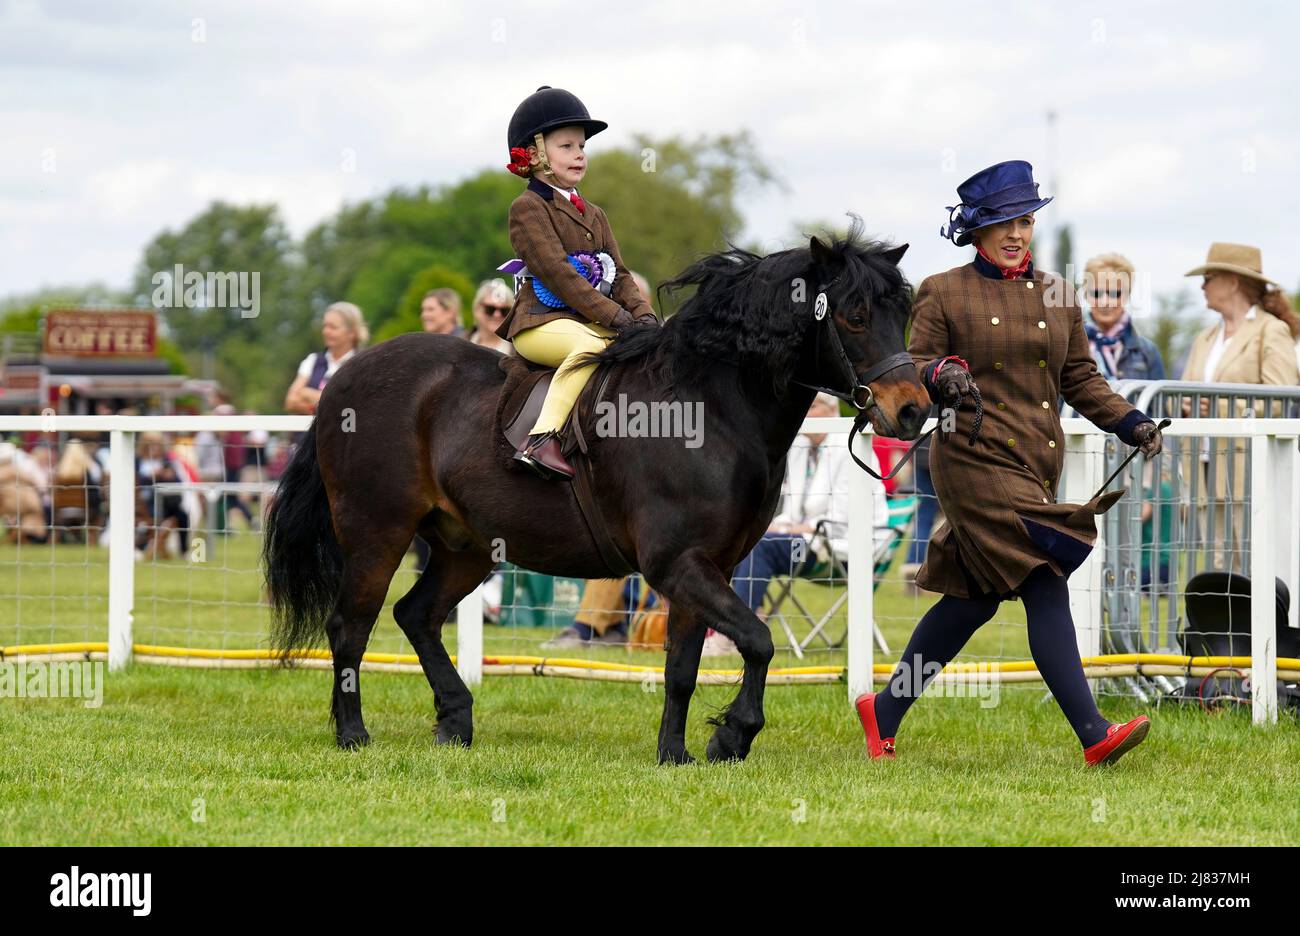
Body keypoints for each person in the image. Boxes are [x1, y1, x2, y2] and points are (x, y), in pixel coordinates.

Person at [855, 160, 1162, 768]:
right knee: (1045, 577)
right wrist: (941, 372)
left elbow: (1077, 376)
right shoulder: (942, 290)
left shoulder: (1058, 292)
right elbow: (912, 365)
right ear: (976, 230)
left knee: (973, 601)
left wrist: (1131, 420)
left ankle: (885, 711)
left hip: (1032, 458)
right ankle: (1094, 733)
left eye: (1024, 219)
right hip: (971, 457)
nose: (1016, 232)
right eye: (1002, 222)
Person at [496, 85, 656, 480]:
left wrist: (648, 321)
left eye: (582, 146)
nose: (580, 154)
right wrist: (621, 320)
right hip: (539, 324)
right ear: (534, 154)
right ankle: (540, 438)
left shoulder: (595, 214)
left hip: (587, 321)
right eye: (567, 146)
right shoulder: (527, 208)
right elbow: (562, 278)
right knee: (592, 346)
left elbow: (619, 274)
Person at [1179, 243, 1299, 569]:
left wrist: (1218, 407)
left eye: (1208, 277)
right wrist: (1187, 405)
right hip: (1203, 469)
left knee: (1254, 566)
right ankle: (1219, 623)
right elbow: (1182, 394)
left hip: (1249, 472)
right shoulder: (1204, 338)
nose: (1202, 285)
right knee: (1217, 568)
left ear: (1232, 281)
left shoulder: (1271, 331)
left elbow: (1283, 399)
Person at [1081, 252, 1165, 381]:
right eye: (1097, 293)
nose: (1105, 302)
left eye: (1115, 293)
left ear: (1127, 295)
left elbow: (1160, 400)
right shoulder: (1070, 348)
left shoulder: (1147, 352)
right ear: (1087, 296)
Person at [284, 301, 368, 415]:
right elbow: (291, 402)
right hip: (312, 433)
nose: (325, 331)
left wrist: (307, 393)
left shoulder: (364, 364)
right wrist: (323, 410)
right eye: (325, 326)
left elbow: (355, 405)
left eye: (333, 327)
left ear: (352, 332)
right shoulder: (313, 360)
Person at [467, 279, 515, 354]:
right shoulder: (459, 342)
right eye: (490, 309)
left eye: (504, 311)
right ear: (477, 309)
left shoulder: (521, 351)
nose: (497, 315)